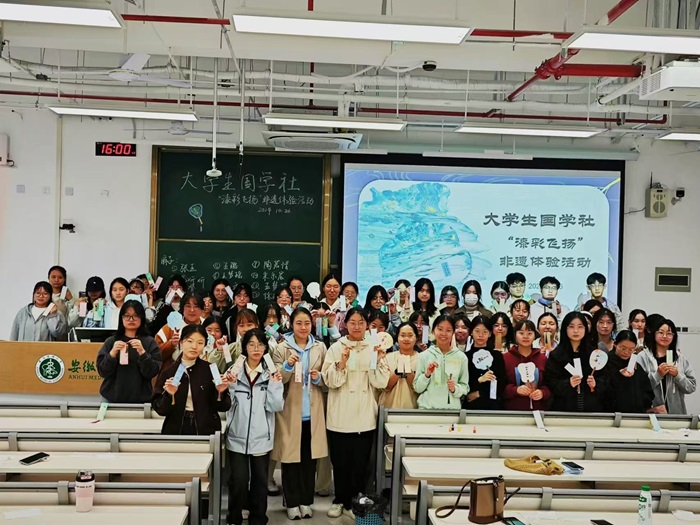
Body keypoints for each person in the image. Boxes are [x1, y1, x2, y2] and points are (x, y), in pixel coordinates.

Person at [322, 307, 390, 519]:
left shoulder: (373, 348)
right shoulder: (336, 348)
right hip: (340, 414)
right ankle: (339, 500)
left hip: (363, 415)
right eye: (353, 322)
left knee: (360, 463)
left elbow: (380, 382)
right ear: (345, 324)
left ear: (367, 325)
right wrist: (341, 363)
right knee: (340, 462)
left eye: (361, 322)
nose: (357, 326)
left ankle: (356, 503)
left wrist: (379, 361)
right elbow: (330, 381)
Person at [272, 308, 328, 520]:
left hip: (313, 413)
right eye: (299, 323)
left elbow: (328, 378)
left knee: (308, 461)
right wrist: (287, 366)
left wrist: (318, 377)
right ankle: (292, 502)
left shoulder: (320, 347)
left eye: (307, 323)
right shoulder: (282, 348)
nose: (303, 327)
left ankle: (306, 501)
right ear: (291, 324)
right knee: (290, 461)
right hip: (290, 411)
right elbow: (277, 378)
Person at [224, 329, 284, 525]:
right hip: (236, 435)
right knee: (238, 481)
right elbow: (226, 403)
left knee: (260, 482)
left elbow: (275, 406)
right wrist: (230, 385)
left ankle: (258, 518)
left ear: (266, 348)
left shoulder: (270, 374)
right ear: (245, 347)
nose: (256, 349)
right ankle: (234, 517)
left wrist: (275, 385)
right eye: (251, 344)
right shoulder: (234, 372)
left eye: (260, 345)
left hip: (261, 437)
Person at [152, 324, 231, 435]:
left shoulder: (211, 369)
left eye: (200, 343)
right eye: (190, 341)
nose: (194, 346)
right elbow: (160, 409)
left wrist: (221, 392)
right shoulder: (169, 372)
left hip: (206, 429)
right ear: (181, 342)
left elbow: (223, 407)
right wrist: (169, 395)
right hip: (176, 430)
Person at [96, 300, 161, 403]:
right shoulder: (111, 341)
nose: (131, 319)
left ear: (142, 318)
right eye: (127, 316)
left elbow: (152, 372)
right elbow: (102, 372)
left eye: (135, 316)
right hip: (111, 399)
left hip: (141, 401)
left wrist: (143, 353)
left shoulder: (150, 342)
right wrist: (112, 354)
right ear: (121, 318)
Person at [545, 312, 608, 412]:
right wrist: (568, 383)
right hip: (563, 410)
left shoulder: (594, 354)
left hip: (591, 409)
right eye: (571, 327)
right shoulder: (556, 355)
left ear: (586, 329)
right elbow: (550, 382)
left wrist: (595, 384)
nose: (576, 331)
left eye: (580, 327)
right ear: (565, 329)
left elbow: (605, 379)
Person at [638, 318, 696, 414]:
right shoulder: (643, 357)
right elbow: (638, 387)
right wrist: (657, 375)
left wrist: (677, 375)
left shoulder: (680, 358)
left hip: (676, 414)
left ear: (674, 336)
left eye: (669, 333)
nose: (665, 336)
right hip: (651, 413)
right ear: (654, 334)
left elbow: (691, 387)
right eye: (661, 332)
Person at [413, 315, 469, 409]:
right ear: (433, 331)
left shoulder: (461, 357)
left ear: (453, 333)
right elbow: (417, 388)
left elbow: (465, 387)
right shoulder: (424, 356)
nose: (443, 333)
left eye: (448, 330)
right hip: (427, 409)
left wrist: (455, 389)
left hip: (452, 410)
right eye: (440, 329)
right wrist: (427, 375)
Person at [503, 320, 551, 411]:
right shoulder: (506, 358)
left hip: (538, 410)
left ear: (535, 336)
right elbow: (499, 387)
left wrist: (542, 393)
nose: (525, 336)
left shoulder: (542, 359)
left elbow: (549, 385)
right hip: (512, 411)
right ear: (515, 335)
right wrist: (515, 390)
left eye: (529, 333)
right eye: (521, 333)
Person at [604, 330, 654, 413]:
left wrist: (642, 404)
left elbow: (647, 390)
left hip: (636, 415)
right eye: (623, 348)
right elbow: (603, 391)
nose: (626, 352)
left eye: (631, 349)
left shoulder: (635, 364)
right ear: (615, 344)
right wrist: (619, 376)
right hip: (612, 414)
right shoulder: (606, 363)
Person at [155, 291, 206, 372]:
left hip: (203, 371)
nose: (192, 310)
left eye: (196, 306)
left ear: (202, 309)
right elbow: (155, 352)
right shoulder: (172, 326)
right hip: (175, 372)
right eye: (188, 306)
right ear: (182, 308)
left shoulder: (208, 326)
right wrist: (171, 344)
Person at [464, 316, 506, 410]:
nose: (480, 335)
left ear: (490, 333)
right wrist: (479, 380)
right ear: (471, 332)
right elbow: (463, 382)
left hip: (493, 406)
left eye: (485, 332)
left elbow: (502, 382)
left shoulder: (497, 356)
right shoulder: (465, 357)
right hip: (471, 406)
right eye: (477, 331)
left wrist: (480, 393)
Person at [379, 322, 419, 409]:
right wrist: (397, 372)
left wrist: (409, 372)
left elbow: (419, 388)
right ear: (397, 338)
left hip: (413, 409)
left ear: (416, 338)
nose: (406, 339)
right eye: (403, 335)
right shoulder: (387, 358)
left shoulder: (421, 359)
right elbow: (384, 386)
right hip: (388, 408)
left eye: (410, 335)